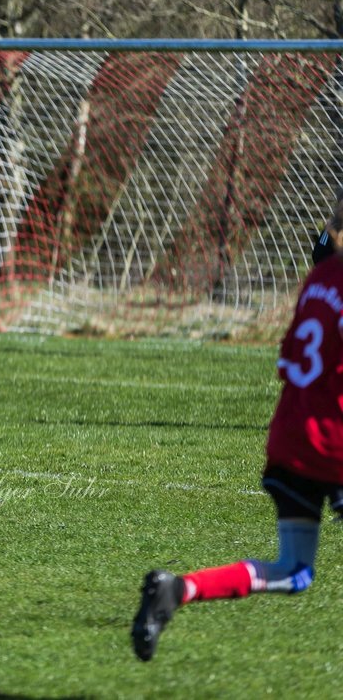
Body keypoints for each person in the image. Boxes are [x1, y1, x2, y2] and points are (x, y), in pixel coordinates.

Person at [131, 190, 343, 662]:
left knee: (294, 570)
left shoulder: (319, 278)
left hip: (291, 440)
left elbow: (290, 355)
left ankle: (178, 589)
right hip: (334, 444)